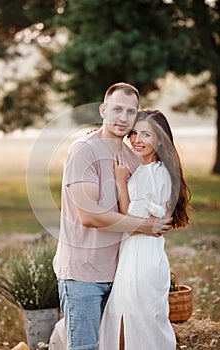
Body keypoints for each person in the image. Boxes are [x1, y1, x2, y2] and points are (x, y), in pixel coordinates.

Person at [53, 83, 173, 350]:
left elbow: (142, 200)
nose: (123, 118)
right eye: (117, 109)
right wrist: (145, 226)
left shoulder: (132, 157)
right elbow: (89, 216)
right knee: (85, 348)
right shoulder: (84, 150)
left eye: (130, 112)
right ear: (103, 110)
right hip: (83, 274)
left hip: (120, 273)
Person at [98, 109, 191, 350]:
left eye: (146, 135)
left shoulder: (151, 173)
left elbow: (134, 222)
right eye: (134, 133)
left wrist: (120, 181)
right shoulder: (158, 171)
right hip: (144, 256)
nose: (137, 140)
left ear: (160, 140)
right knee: (138, 323)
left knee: (133, 323)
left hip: (140, 259)